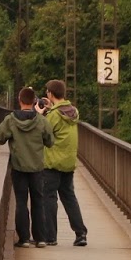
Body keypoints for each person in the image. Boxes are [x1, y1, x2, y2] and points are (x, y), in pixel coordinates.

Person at [0, 86, 54, 247]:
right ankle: (40, 238)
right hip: (37, 168)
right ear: (34, 101)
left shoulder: (11, 119)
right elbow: (50, 141)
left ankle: (24, 239)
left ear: (19, 100)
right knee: (38, 201)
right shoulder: (41, 120)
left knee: (21, 202)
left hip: (19, 167)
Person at [39, 78, 88, 246]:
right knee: (69, 197)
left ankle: (50, 236)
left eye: (47, 92)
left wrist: (41, 114)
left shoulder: (53, 115)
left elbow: (43, 132)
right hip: (68, 162)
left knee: (49, 198)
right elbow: (60, 120)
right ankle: (81, 233)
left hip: (53, 163)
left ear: (50, 94)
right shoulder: (73, 111)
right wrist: (50, 109)